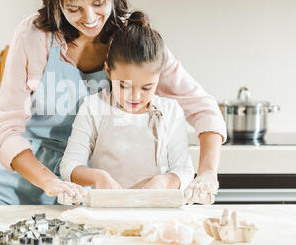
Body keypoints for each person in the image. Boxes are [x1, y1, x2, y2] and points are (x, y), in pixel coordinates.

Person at [0, 0, 226, 205]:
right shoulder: (34, 36)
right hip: (16, 190)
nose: (89, 18)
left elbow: (202, 107)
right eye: (74, 8)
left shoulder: (132, 38)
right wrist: (50, 182)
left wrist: (207, 173)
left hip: (84, 191)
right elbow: (5, 130)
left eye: (98, 2)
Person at [59, 11, 195, 192]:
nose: (135, 97)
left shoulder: (170, 111)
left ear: (159, 77)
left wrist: (165, 181)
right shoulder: (93, 108)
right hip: (106, 212)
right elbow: (69, 165)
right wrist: (99, 177)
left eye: (147, 87)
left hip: (158, 214)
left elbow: (184, 169)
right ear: (108, 70)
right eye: (124, 86)